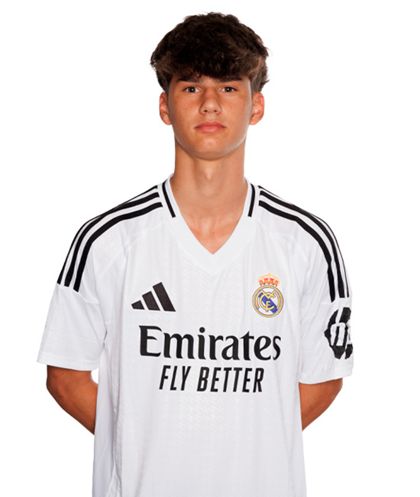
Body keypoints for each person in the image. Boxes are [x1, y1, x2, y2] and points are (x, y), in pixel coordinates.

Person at [37, 11, 353, 497]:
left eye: (228, 87)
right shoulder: (108, 241)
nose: (209, 103)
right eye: (191, 87)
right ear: (165, 107)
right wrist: (148, 445)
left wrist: (243, 444)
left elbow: (323, 378)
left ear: (256, 106)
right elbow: (65, 374)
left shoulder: (306, 243)